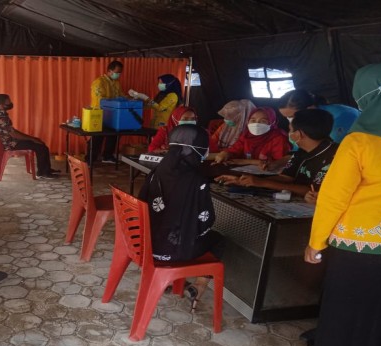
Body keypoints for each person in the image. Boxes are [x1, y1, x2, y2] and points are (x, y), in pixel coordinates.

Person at [304, 62, 381, 346]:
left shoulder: (358, 142)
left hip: (358, 241)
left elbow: (334, 197)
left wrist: (316, 242)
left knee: (353, 302)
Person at [139, 125, 224, 311]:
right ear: (197, 149)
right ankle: (199, 286)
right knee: (218, 239)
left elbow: (142, 200)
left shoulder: (157, 171)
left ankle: (172, 280)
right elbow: (205, 221)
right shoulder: (197, 180)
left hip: (145, 246)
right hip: (174, 252)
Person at [215, 109, 338, 197]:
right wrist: (245, 181)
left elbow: (313, 191)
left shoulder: (335, 156)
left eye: (290, 130)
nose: (288, 134)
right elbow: (285, 178)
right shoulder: (300, 152)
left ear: (298, 134)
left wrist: (263, 182)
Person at [0, 94, 58, 179]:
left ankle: (46, 170)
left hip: (9, 141)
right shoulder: (1, 117)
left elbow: (12, 131)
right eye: (8, 102)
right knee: (41, 146)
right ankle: (42, 173)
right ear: (1, 105)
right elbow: (14, 134)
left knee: (39, 143)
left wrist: (32, 138)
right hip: (11, 144)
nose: (10, 103)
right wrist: (32, 138)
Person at [213, 106, 290, 166]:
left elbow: (279, 163)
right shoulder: (246, 135)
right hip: (245, 171)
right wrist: (226, 153)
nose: (256, 124)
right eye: (253, 120)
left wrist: (245, 161)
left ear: (272, 123)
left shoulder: (279, 138)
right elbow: (235, 149)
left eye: (263, 121)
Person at [278, 89, 360, 144]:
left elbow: (334, 150)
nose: (291, 121)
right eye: (288, 118)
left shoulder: (341, 118)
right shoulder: (309, 119)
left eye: (292, 116)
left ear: (310, 109)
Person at [89, 60, 126, 163]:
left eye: (120, 73)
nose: (118, 75)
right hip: (99, 113)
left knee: (113, 134)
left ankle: (107, 156)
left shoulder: (116, 83)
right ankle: (90, 159)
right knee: (97, 137)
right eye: (117, 72)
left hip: (113, 114)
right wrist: (115, 100)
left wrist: (129, 98)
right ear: (109, 71)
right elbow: (100, 99)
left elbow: (121, 95)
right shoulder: (99, 82)